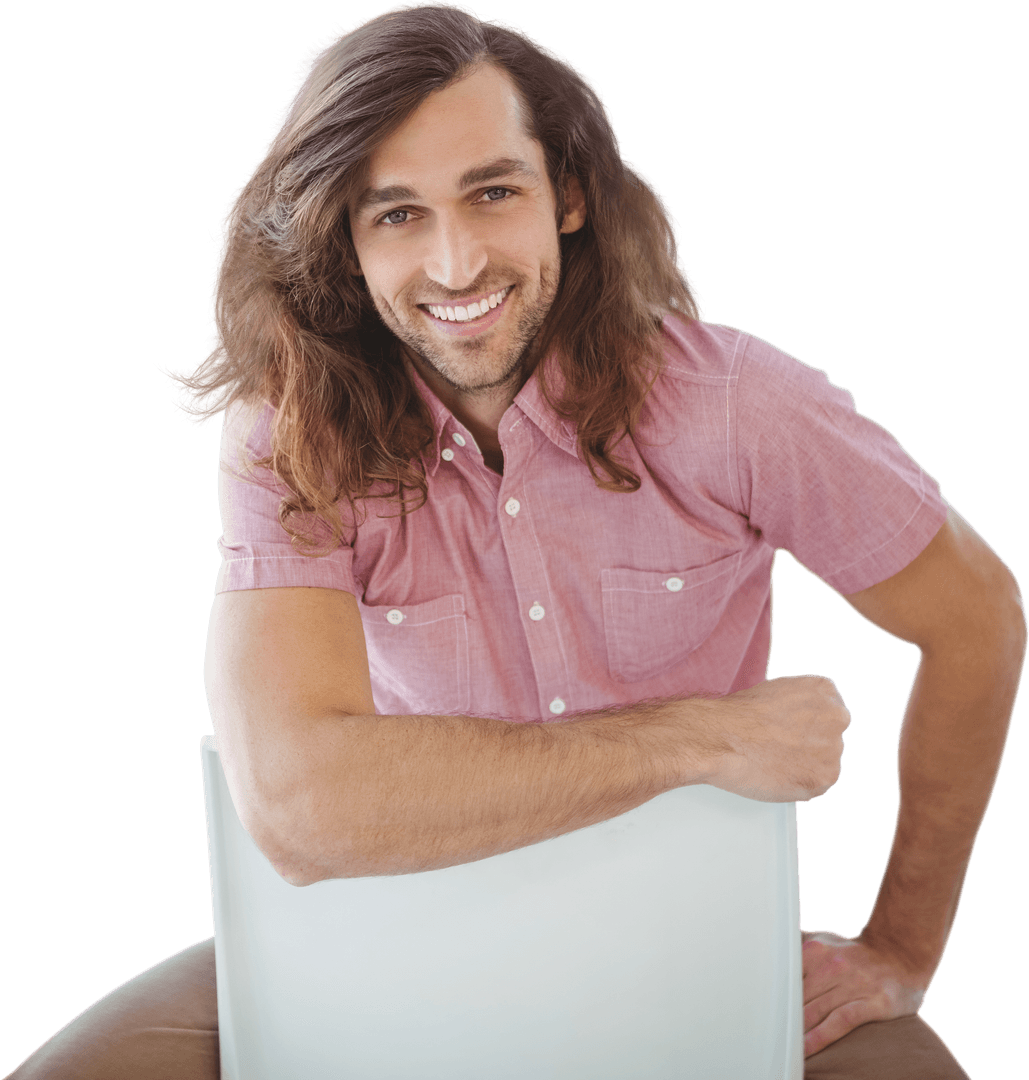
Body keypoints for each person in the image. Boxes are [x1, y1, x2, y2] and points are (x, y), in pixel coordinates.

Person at [11, 2, 1024, 1077]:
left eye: (492, 193)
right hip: (383, 927)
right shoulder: (291, 432)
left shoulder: (730, 403)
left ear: (570, 197)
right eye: (396, 215)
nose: (453, 265)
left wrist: (901, 947)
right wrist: (694, 737)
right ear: (343, 242)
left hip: (690, 942)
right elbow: (299, 805)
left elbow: (979, 622)